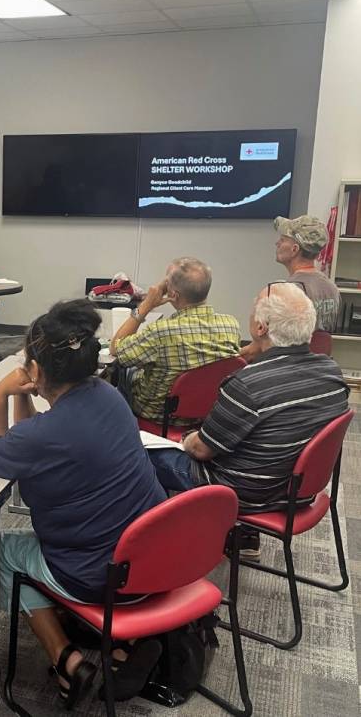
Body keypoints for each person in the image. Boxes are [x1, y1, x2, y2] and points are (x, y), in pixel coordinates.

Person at [0, 300, 166, 707]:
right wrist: (24, 394)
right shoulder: (109, 395)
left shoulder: (50, 434)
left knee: (0, 549)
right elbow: (29, 436)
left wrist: (0, 392)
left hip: (99, 574)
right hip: (153, 558)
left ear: (39, 369)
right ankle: (122, 643)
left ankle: (66, 658)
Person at [148, 283, 348, 557]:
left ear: (261, 328)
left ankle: (156, 550)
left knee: (141, 454)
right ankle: (233, 537)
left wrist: (186, 437)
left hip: (245, 492)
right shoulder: (332, 373)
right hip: (294, 489)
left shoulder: (248, 385)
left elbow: (200, 450)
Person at [110, 257, 240, 425]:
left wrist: (146, 305)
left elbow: (116, 348)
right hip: (206, 416)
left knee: (123, 370)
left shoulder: (161, 332)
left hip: (158, 418)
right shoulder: (231, 325)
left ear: (172, 294)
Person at [242, 215, 339, 358]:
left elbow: (262, 348)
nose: (277, 243)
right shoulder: (333, 289)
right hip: (315, 369)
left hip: (284, 368)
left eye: (282, 240)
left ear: (294, 249)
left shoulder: (287, 294)